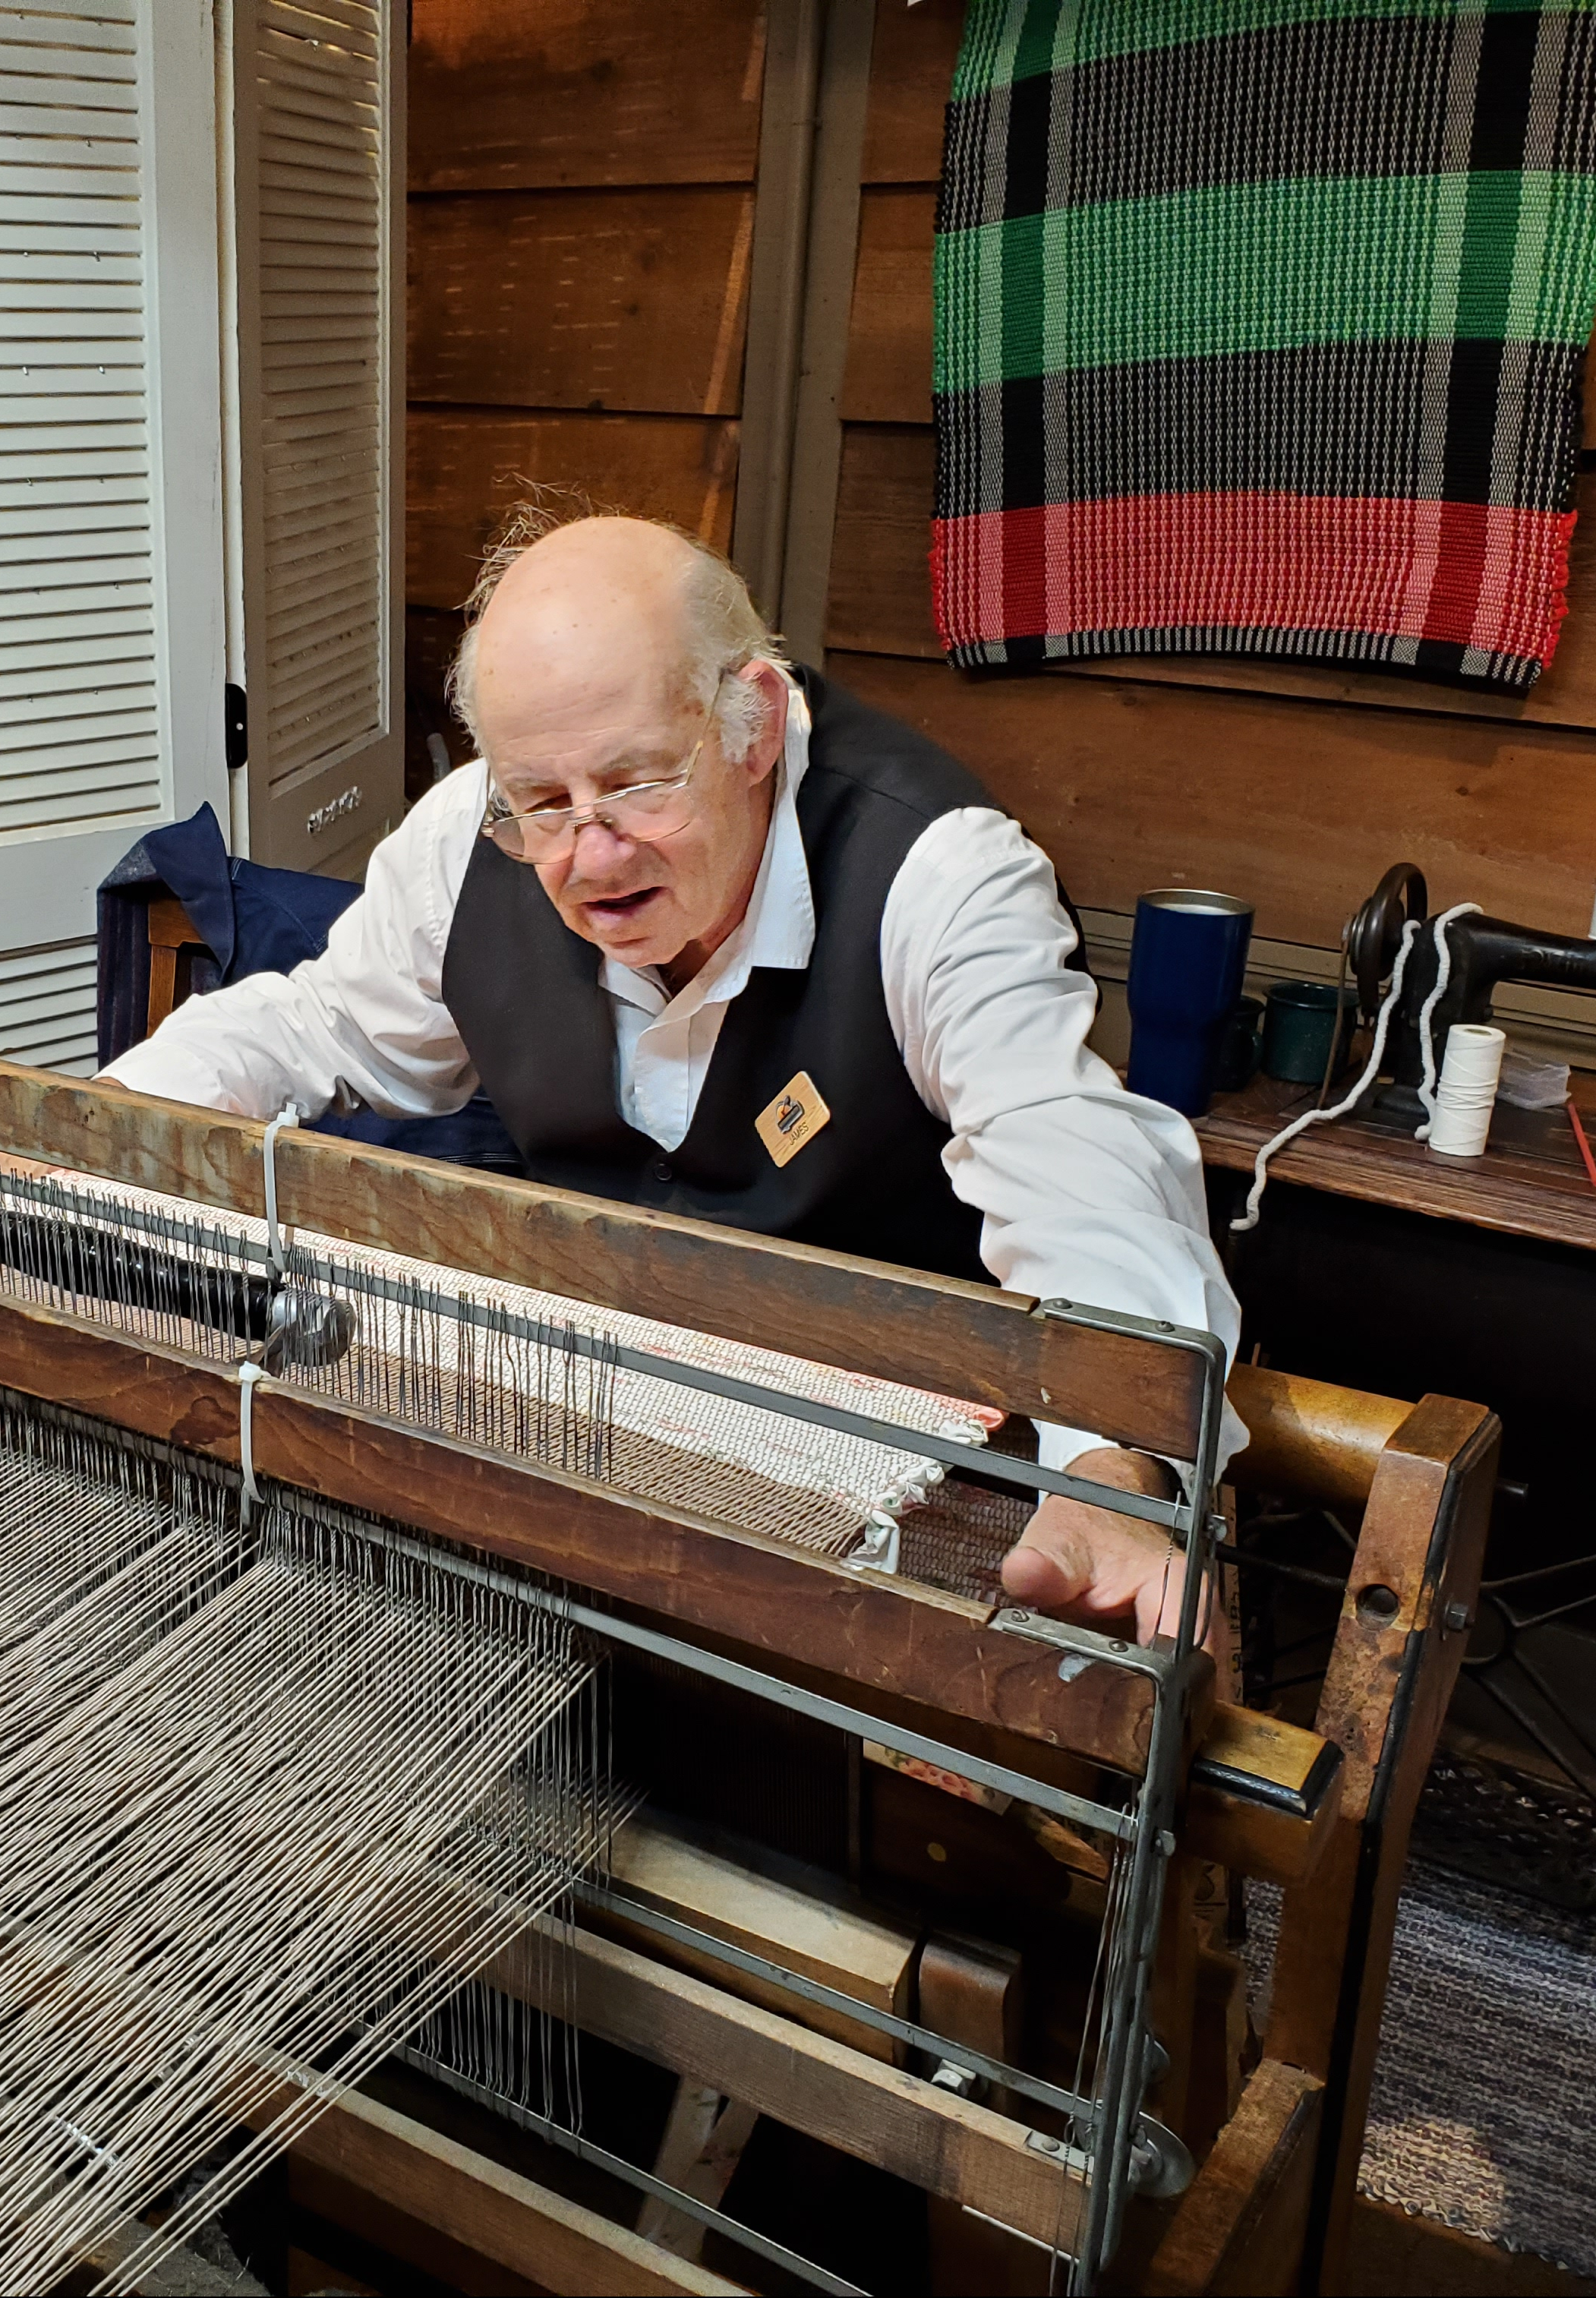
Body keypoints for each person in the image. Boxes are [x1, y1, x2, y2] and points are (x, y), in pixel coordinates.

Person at [105, 513, 1244, 1641]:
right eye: (542, 802)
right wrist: (95, 1141)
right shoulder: (471, 837)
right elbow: (316, 1023)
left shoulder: (936, 872)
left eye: (639, 782)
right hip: (581, 1450)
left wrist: (1109, 1463)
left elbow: (1072, 1164)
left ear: (749, 723)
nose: (589, 855)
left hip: (884, 1503)